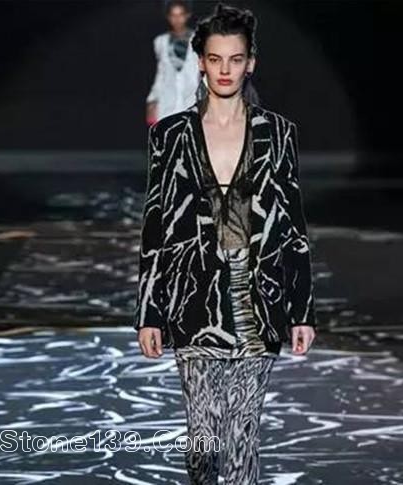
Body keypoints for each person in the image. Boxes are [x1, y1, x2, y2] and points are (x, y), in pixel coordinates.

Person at [134, 3, 317, 483]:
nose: (225, 70)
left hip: (259, 299)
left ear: (250, 62)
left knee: (241, 438)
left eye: (235, 59)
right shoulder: (171, 136)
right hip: (194, 299)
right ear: (201, 61)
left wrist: (301, 311)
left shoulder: (278, 134)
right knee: (204, 439)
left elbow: (292, 226)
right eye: (215, 59)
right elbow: (155, 226)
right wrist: (149, 312)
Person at [145, 0, 200, 123]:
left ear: (187, 15)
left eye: (180, 15)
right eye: (173, 15)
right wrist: (152, 99)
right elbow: (161, 73)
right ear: (168, 17)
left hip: (191, 99)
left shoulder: (198, 39)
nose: (177, 20)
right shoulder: (161, 41)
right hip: (166, 101)